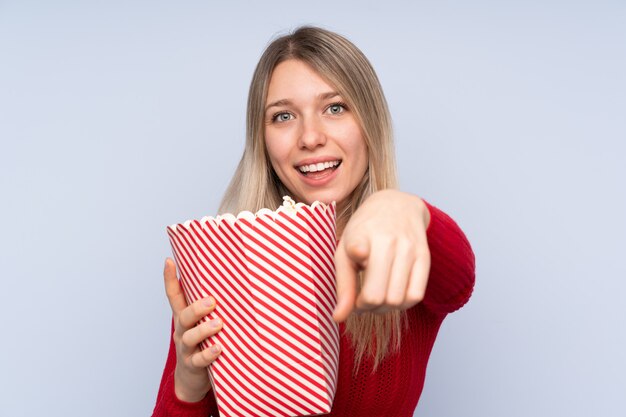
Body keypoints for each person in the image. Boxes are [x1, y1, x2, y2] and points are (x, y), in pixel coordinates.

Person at [152, 26, 475, 417]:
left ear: (369, 121)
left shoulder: (400, 249)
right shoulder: (220, 269)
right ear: (263, 139)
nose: (310, 137)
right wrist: (186, 388)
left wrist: (404, 209)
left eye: (335, 108)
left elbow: (459, 281)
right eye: (283, 116)